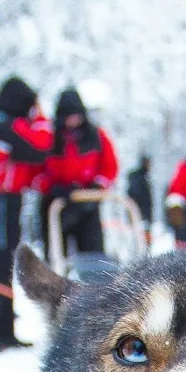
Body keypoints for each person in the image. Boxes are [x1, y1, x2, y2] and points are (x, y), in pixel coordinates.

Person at [0, 76, 53, 352]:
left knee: (4, 264)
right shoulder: (1, 126)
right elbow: (39, 149)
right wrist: (40, 119)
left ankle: (4, 331)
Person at [38, 86, 119, 260]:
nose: (73, 120)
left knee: (93, 256)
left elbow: (109, 167)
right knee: (57, 256)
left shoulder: (96, 136)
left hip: (88, 202)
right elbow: (37, 171)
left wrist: (97, 186)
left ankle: (95, 285)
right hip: (57, 205)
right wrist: (53, 188)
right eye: (69, 116)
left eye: (76, 115)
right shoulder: (49, 137)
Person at [125, 154, 155, 248]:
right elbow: (133, 193)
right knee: (137, 237)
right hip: (139, 212)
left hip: (144, 212)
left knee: (144, 238)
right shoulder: (138, 176)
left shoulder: (145, 176)